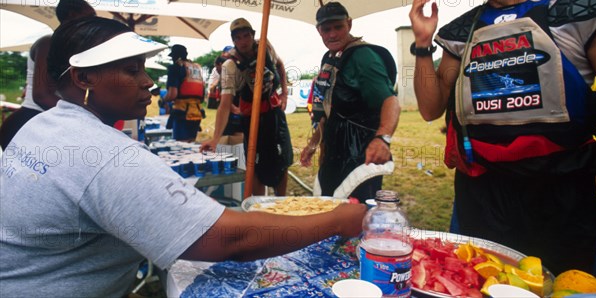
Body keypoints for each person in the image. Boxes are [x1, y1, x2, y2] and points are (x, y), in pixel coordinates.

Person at [0, 16, 367, 296]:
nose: (148, 83)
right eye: (132, 70)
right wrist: (337, 220)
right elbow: (227, 240)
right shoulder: (106, 157)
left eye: (143, 68)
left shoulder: (40, 125)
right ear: (83, 78)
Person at [408, 0, 596, 274]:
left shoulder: (577, 10)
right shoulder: (458, 32)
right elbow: (431, 108)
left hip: (563, 196)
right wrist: (422, 42)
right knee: (476, 284)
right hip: (482, 197)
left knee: (565, 285)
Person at [300, 2, 400, 203]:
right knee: (330, 207)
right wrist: (313, 144)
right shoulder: (329, 59)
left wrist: (382, 138)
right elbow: (326, 110)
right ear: (318, 30)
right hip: (335, 150)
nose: (332, 34)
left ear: (349, 24)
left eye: (338, 27)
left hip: (360, 150)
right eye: (326, 29)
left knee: (355, 212)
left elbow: (390, 101)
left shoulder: (363, 56)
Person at [201, 18, 292, 196]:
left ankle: (282, 203)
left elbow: (279, 64)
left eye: (246, 36)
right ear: (233, 40)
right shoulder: (230, 66)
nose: (243, 41)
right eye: (238, 38)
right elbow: (225, 105)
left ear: (253, 36)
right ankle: (258, 207)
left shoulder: (266, 47)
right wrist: (215, 139)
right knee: (254, 164)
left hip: (274, 115)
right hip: (251, 120)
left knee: (282, 161)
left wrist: (284, 93)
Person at [0, 0, 96, 150]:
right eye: (90, 17)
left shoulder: (74, 49)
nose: (93, 22)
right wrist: (86, 116)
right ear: (72, 15)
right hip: (30, 121)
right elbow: (41, 95)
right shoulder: (48, 43)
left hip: (53, 120)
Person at [163, 44, 205, 142]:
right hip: (197, 112)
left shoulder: (175, 68)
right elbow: (202, 95)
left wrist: (163, 100)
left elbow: (172, 94)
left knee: (180, 146)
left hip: (181, 112)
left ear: (175, 56)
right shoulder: (196, 68)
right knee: (190, 143)